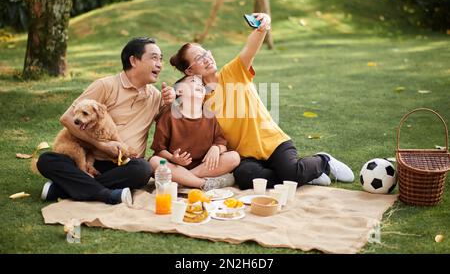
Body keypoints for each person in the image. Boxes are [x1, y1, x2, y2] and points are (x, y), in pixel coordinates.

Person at [168, 13, 355, 190]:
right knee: (245, 177)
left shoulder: (232, 72)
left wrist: (262, 26)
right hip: (246, 156)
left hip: (273, 142)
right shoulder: (198, 98)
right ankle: (302, 175)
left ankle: (323, 161)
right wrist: (169, 97)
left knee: (291, 173)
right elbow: (180, 113)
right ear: (190, 71)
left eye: (206, 53)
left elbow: (250, 49)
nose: (207, 58)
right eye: (199, 58)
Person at [37, 37, 176, 206]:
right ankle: (106, 194)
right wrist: (101, 145)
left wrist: (172, 102)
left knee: (143, 170)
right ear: (133, 60)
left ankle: (63, 189)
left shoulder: (156, 96)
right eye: (154, 58)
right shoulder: (105, 85)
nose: (160, 64)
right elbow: (67, 119)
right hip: (91, 158)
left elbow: (177, 122)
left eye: (161, 59)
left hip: (124, 166)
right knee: (46, 160)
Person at [149, 75, 240, 191]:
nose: (200, 85)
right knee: (154, 162)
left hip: (202, 167)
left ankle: (183, 180)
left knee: (234, 157)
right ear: (179, 90)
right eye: (193, 81)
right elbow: (159, 150)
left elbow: (221, 143)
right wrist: (173, 158)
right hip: (175, 166)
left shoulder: (209, 115)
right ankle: (203, 183)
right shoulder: (169, 115)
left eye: (202, 85)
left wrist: (216, 148)